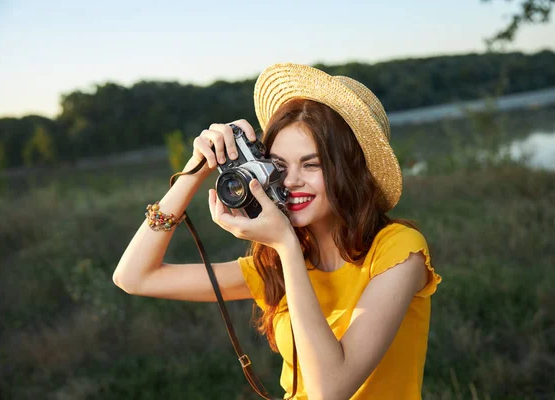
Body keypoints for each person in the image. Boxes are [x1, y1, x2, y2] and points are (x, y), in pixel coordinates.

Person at [113, 63, 442, 400]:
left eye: (312, 164)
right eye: (279, 166)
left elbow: (330, 390)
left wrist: (285, 245)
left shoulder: (399, 251)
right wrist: (195, 170)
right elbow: (134, 277)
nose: (290, 180)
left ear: (349, 171)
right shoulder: (275, 264)